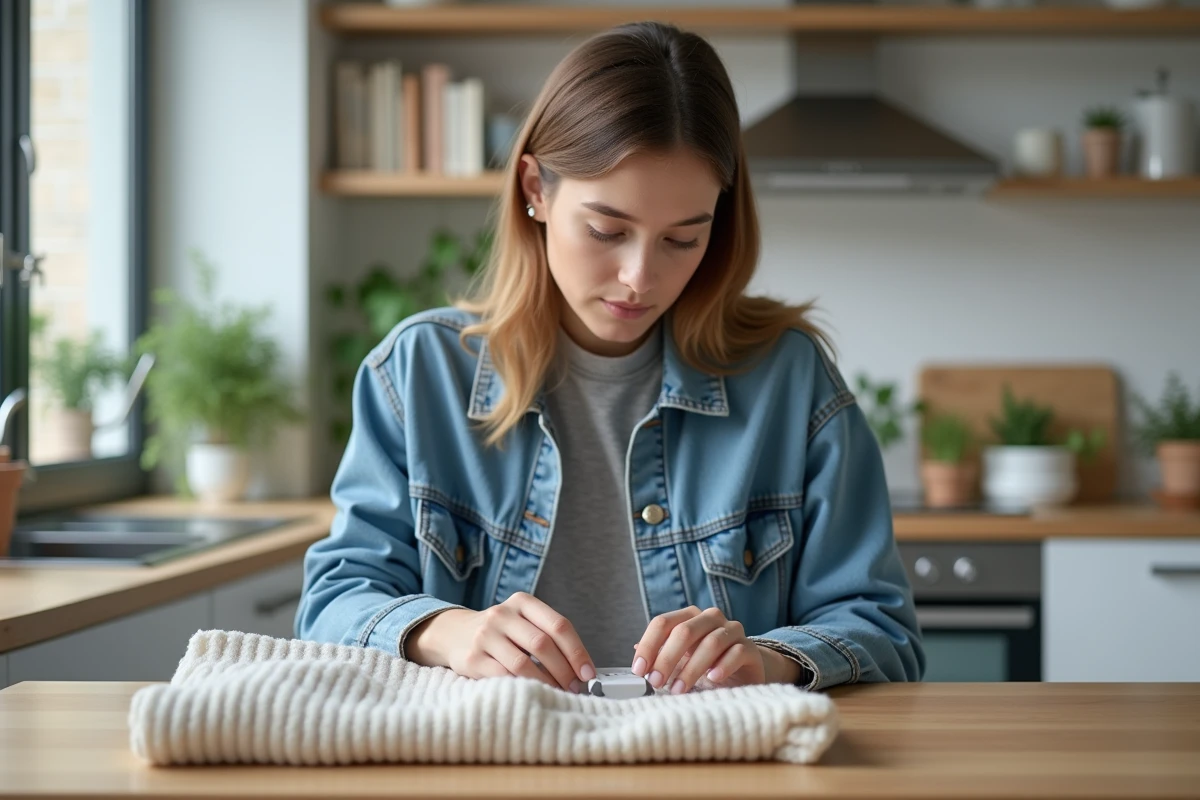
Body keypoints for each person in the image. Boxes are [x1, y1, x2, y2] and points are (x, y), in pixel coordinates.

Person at [296, 21, 924, 695]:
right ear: (535, 188)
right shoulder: (418, 374)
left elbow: (883, 631)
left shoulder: (790, 381)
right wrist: (450, 631)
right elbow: (332, 606)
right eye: (607, 230)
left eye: (683, 239)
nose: (639, 277)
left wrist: (769, 659)